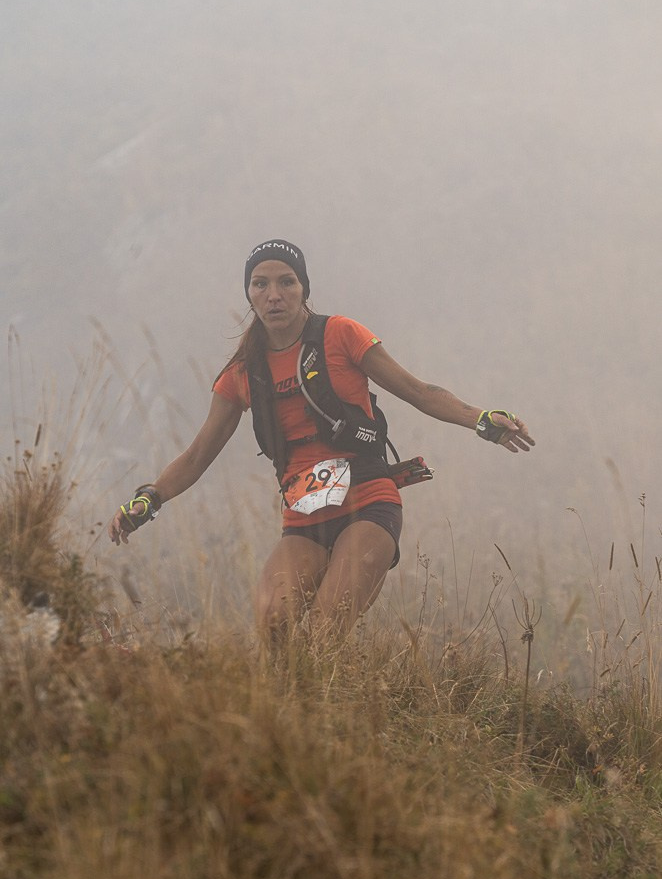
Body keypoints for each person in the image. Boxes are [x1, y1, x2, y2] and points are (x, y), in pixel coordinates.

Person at [108, 238, 535, 642]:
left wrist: (481, 419)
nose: (274, 294)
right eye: (261, 284)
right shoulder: (242, 372)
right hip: (302, 519)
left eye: (286, 282)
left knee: (326, 630)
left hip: (369, 501)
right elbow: (198, 455)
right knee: (273, 624)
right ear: (249, 294)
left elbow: (419, 391)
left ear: (303, 289)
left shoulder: (341, 335)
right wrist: (149, 499)